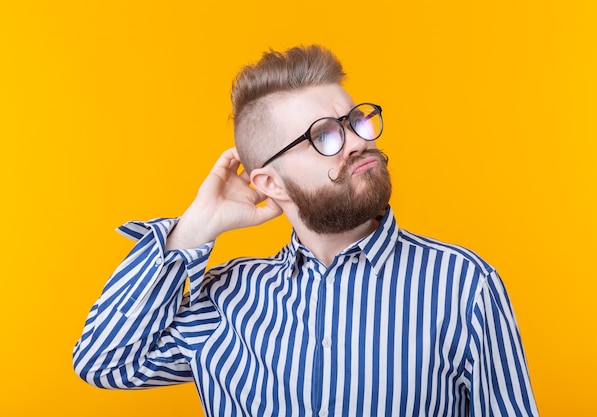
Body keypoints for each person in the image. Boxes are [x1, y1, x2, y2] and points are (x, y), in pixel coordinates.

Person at [72, 45, 539, 416]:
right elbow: (104, 360)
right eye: (325, 136)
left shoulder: (463, 286)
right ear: (269, 183)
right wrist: (193, 230)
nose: (359, 141)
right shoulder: (226, 300)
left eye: (356, 121)